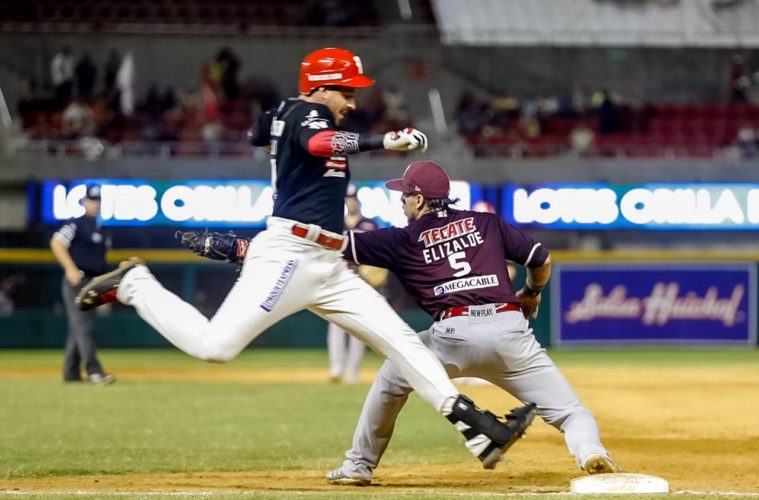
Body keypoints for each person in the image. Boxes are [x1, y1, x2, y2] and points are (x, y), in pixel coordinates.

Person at [76, 47, 537, 469]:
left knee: (402, 342)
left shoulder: (292, 112)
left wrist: (280, 126)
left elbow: (260, 132)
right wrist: (383, 142)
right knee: (215, 347)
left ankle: (477, 431)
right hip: (290, 257)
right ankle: (136, 284)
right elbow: (316, 143)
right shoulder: (305, 111)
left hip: (329, 262)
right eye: (348, 91)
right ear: (321, 85)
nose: (353, 102)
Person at [325, 160, 621, 485]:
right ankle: (591, 452)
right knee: (571, 412)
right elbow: (541, 259)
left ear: (419, 200)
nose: (402, 200)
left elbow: (333, 244)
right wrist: (531, 292)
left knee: (390, 380)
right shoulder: (487, 223)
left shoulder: (402, 239)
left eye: (406, 194)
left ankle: (359, 466)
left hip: (450, 337)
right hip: (509, 330)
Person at [50, 185, 116, 385]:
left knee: (77, 328)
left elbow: (101, 263)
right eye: (92, 201)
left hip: (93, 283)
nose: (95, 204)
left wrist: (105, 291)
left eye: (98, 201)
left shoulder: (102, 230)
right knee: (83, 326)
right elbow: (56, 242)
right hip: (77, 281)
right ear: (84, 202)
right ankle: (94, 371)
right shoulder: (76, 224)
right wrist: (70, 269)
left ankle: (71, 372)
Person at [328, 184, 388, 384]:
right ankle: (336, 368)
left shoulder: (370, 224)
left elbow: (380, 251)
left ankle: (352, 373)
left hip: (363, 280)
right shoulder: (337, 224)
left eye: (353, 197)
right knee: (336, 325)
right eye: (348, 198)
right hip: (340, 277)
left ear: (358, 200)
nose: (351, 201)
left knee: (358, 328)